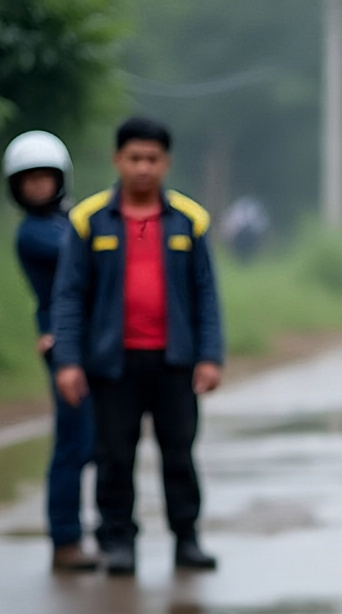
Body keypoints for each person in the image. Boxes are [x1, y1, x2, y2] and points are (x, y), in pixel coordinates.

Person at [51, 116, 224, 577]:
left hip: (174, 361)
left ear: (165, 162)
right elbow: (68, 294)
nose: (143, 168)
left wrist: (210, 355)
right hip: (112, 363)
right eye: (134, 158)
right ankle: (118, 544)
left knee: (179, 455)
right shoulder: (88, 220)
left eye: (152, 159)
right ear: (118, 160)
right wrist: (68, 360)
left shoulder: (191, 220)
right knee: (113, 458)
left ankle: (186, 539)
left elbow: (206, 293)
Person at [2, 131, 97, 572]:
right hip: (62, 341)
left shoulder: (65, 221)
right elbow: (87, 259)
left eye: (45, 177)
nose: (38, 186)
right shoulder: (35, 233)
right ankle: (65, 540)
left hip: (88, 339)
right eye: (29, 180)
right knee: (73, 443)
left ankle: (102, 531)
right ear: (16, 187)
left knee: (98, 439)